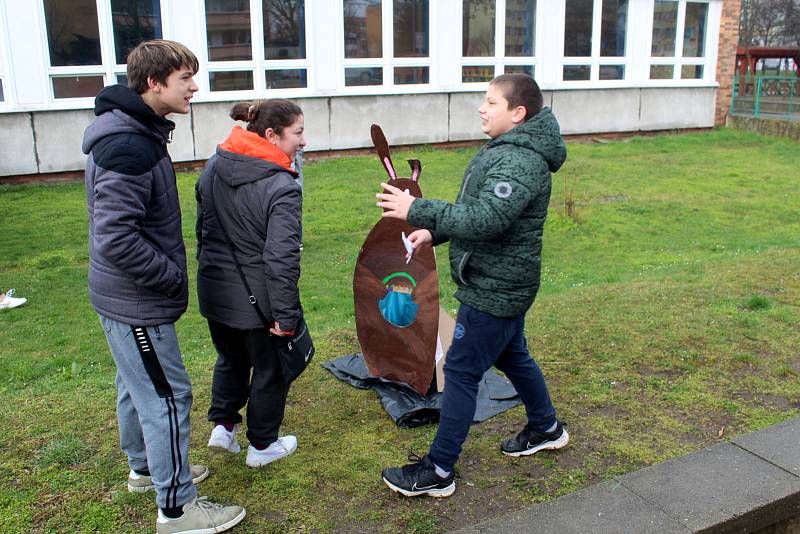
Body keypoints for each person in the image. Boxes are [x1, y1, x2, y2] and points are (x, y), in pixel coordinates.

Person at [376, 73, 568, 498]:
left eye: (491, 102)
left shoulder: (520, 160)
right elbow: (477, 212)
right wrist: (433, 232)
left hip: (496, 286)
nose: (482, 108)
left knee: (460, 370)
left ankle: (439, 469)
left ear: (518, 114)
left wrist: (417, 209)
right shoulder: (510, 150)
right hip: (500, 279)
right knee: (514, 355)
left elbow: (488, 220)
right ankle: (546, 427)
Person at [82, 40, 245, 533]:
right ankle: (177, 508)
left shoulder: (137, 130)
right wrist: (169, 275)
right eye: (185, 79)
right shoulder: (129, 145)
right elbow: (115, 238)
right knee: (167, 396)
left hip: (124, 296)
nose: (195, 87)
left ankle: (146, 470)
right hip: (136, 299)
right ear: (154, 83)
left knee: (137, 388)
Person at [195, 99, 305, 468]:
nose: (303, 141)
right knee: (270, 368)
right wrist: (285, 317)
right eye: (298, 133)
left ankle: (223, 427)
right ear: (271, 135)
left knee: (231, 356)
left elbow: (203, 233)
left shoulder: (214, 165)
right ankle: (263, 445)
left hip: (215, 291)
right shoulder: (281, 186)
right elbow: (282, 258)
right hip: (257, 300)